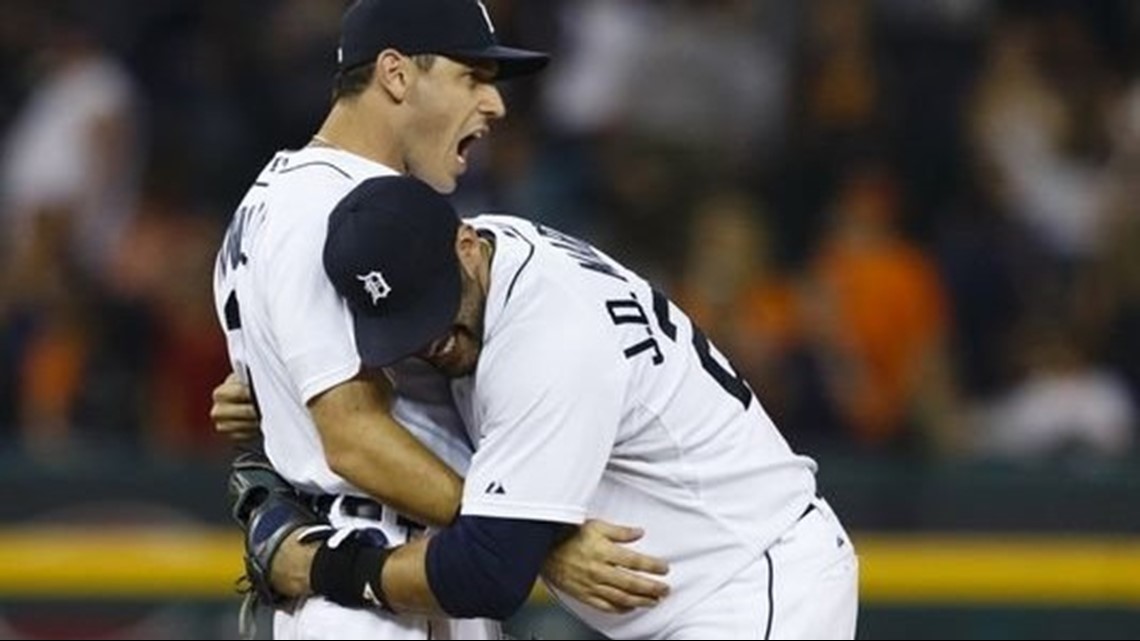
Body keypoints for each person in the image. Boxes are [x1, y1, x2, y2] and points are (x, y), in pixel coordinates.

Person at [219, 175, 860, 639]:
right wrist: (278, 402)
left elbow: (486, 575)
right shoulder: (494, 251)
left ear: (466, 248)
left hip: (756, 587)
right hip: (718, 590)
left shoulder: (548, 334)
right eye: (408, 328)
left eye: (434, 312)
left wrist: (319, 566)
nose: (430, 343)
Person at [211, 1, 666, 639]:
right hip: (369, 579)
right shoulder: (329, 210)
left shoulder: (277, 199)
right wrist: (534, 537)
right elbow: (352, 436)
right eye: (471, 77)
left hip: (411, 566)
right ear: (397, 75)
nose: (495, 104)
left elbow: (287, 400)